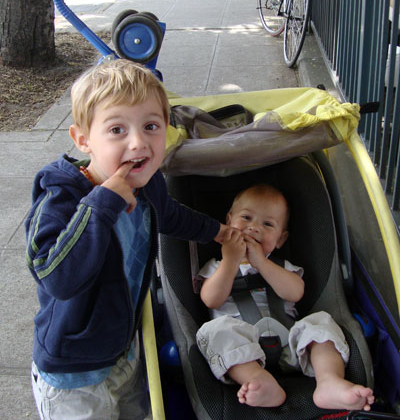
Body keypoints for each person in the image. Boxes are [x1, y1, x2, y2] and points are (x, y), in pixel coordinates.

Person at [25, 59, 231, 420]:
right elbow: (56, 276)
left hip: (125, 351)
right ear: (83, 138)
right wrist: (103, 203)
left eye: (150, 126)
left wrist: (218, 230)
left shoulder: (147, 181)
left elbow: (170, 216)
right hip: (73, 373)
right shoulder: (60, 196)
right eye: (117, 129)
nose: (138, 142)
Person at [196, 183, 374, 410]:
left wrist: (261, 262)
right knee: (214, 332)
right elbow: (211, 300)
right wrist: (231, 261)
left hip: (290, 344)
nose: (254, 228)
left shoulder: (282, 267)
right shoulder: (217, 267)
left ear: (281, 239)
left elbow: (295, 293)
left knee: (320, 321)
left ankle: (329, 380)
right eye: (246, 217)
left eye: (268, 224)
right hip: (241, 350)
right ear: (229, 221)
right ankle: (257, 381)